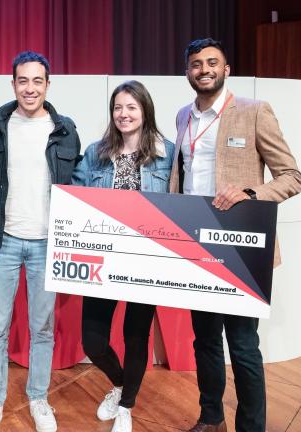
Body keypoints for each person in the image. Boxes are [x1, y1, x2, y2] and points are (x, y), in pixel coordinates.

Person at [169, 38, 301, 432]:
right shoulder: (182, 116)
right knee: (205, 341)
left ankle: (250, 427)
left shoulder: (254, 111)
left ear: (226, 70)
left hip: (241, 248)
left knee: (243, 347)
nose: (204, 69)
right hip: (196, 244)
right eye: (196, 64)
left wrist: (251, 193)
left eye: (212, 62)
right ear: (188, 72)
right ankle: (211, 418)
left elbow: (292, 178)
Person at [0, 51, 81, 432]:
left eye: (37, 81)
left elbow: (80, 180)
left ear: (47, 85)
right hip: (3, 239)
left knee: (43, 329)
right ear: (13, 83)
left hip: (47, 244)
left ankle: (38, 398)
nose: (30, 88)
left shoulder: (65, 129)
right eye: (23, 80)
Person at [73, 80, 174, 432]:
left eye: (131, 107)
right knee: (94, 341)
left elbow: (180, 203)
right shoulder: (95, 152)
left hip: (148, 261)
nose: (124, 114)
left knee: (136, 336)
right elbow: (78, 198)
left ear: (144, 110)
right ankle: (119, 384)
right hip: (104, 258)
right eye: (118, 107)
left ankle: (127, 404)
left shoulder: (168, 154)